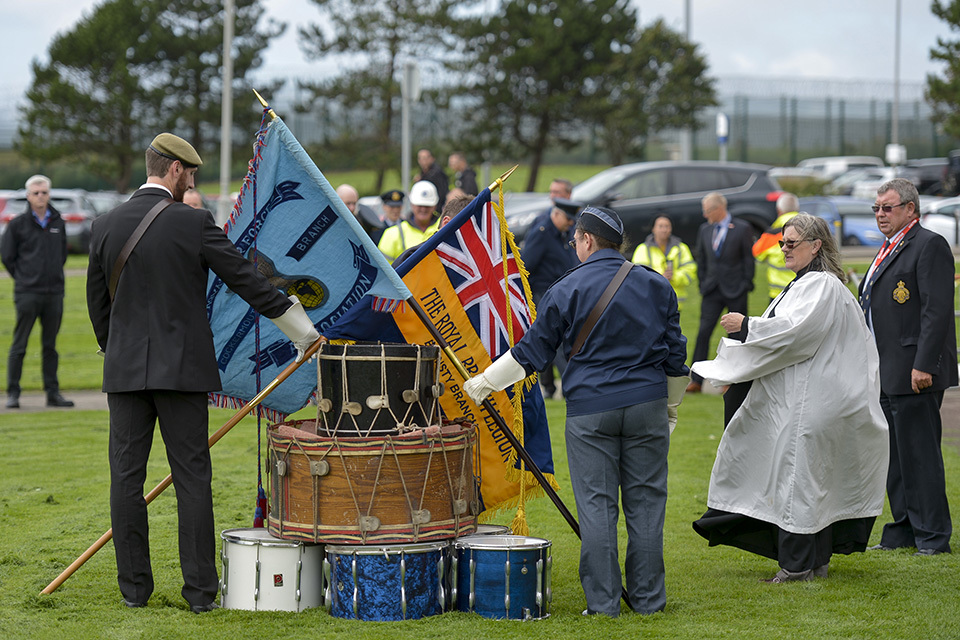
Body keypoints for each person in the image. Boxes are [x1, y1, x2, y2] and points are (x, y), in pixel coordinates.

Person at [86, 133, 320, 613]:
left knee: (125, 480)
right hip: (184, 372)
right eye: (189, 174)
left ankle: (134, 591)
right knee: (191, 478)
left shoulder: (104, 225)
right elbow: (249, 280)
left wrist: (121, 353)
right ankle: (199, 594)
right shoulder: (193, 223)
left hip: (125, 371)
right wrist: (303, 330)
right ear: (173, 169)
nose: (191, 182)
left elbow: (98, 306)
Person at [463, 206, 690, 616]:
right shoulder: (656, 285)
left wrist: (484, 382)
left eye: (575, 241)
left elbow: (531, 354)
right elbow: (677, 356)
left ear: (585, 240)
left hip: (591, 409)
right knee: (647, 504)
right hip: (648, 404)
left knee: (597, 506)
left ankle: (603, 604)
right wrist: (671, 407)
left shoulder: (566, 288)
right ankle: (648, 599)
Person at [691, 213, 889, 582]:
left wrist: (745, 325)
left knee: (798, 482)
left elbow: (793, 334)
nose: (783, 249)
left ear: (816, 246)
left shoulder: (821, 286)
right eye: (782, 242)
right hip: (811, 400)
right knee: (809, 482)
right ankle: (815, 561)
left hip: (811, 403)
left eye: (791, 243)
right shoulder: (807, 285)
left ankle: (797, 566)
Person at [859, 178, 957, 556]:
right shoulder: (888, 247)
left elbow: (936, 311)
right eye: (877, 208)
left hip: (914, 370)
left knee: (920, 455)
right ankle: (904, 528)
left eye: (888, 208)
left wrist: (924, 365)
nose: (881, 214)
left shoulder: (928, 245)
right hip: (886, 370)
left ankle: (932, 535)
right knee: (896, 457)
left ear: (910, 209)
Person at [1, 174, 74, 408]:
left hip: (54, 292)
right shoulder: (17, 225)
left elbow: (62, 255)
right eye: (36, 193)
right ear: (28, 196)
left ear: (49, 194)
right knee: (19, 344)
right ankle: (13, 393)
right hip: (27, 293)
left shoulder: (58, 222)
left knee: (50, 346)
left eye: (44, 192)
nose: (40, 196)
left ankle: (52, 393)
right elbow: (7, 257)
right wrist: (24, 278)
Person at [687, 192, 755, 393]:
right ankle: (696, 380)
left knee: (735, 336)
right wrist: (702, 283)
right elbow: (702, 259)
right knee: (703, 332)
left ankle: (731, 380)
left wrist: (745, 284)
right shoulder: (705, 229)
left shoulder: (741, 228)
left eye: (707, 211)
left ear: (718, 209)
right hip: (711, 290)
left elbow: (748, 260)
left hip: (735, 290)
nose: (705, 215)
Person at [522, 197, 580, 398]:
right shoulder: (543, 233)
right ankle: (570, 385)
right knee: (558, 340)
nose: (571, 224)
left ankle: (552, 386)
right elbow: (526, 265)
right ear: (556, 214)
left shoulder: (561, 233)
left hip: (560, 294)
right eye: (568, 219)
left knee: (552, 339)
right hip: (544, 294)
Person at [631, 215, 697, 311]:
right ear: (653, 229)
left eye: (667, 226)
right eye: (660, 226)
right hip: (651, 301)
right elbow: (638, 275)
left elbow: (690, 271)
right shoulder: (642, 249)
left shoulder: (681, 248)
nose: (664, 230)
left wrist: (674, 276)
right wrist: (660, 277)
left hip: (675, 303)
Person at [377, 180, 441, 261]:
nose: (423, 209)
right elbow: (383, 269)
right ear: (412, 204)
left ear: (435, 206)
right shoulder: (391, 234)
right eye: (420, 205)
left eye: (427, 205)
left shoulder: (445, 228)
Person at [752, 192, 799, 302]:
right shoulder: (810, 229)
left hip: (778, 294)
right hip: (805, 291)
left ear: (779, 210)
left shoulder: (773, 234)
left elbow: (757, 253)